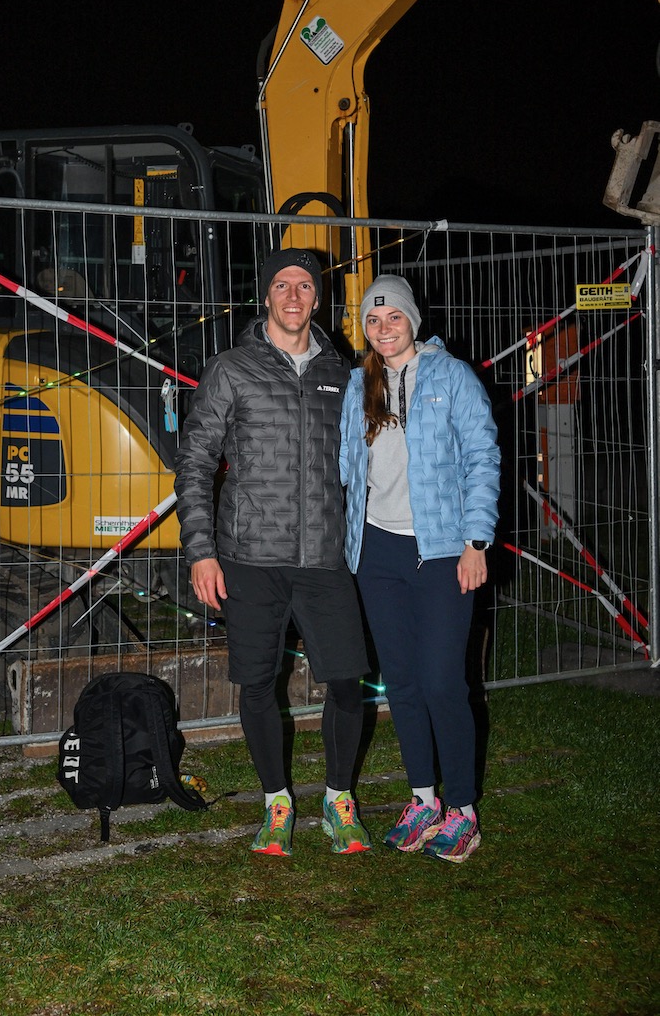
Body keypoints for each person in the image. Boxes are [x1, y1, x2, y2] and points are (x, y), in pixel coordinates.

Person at [175, 248, 371, 857]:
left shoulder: (344, 372)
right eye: (282, 285)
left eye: (305, 286)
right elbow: (196, 460)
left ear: (318, 299)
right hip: (250, 557)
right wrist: (201, 550)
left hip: (324, 557)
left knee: (345, 680)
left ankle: (339, 799)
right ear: (266, 296)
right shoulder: (231, 368)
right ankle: (276, 801)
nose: (293, 296)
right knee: (258, 683)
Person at [339, 274, 500, 864]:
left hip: (441, 551)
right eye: (373, 322)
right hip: (376, 553)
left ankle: (462, 809)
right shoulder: (359, 385)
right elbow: (346, 466)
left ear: (412, 319)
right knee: (401, 684)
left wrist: (476, 541)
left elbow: (483, 456)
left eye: (394, 319)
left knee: (441, 683)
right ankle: (423, 799)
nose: (384, 331)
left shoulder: (451, 377)